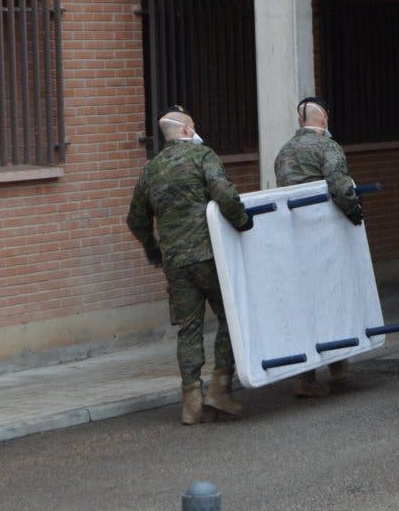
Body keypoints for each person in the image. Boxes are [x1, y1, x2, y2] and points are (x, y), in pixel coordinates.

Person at [126, 106, 253, 425]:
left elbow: (135, 219)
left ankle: (191, 400)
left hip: (175, 263)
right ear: (185, 131)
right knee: (230, 317)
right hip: (210, 256)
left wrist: (152, 247)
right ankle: (220, 388)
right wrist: (243, 222)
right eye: (193, 126)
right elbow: (224, 193)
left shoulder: (150, 170)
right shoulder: (202, 156)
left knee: (189, 328)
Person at [273, 96, 363, 397]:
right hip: (325, 237)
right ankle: (338, 371)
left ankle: (305, 378)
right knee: (331, 299)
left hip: (295, 240)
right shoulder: (328, 147)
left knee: (304, 305)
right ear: (323, 120)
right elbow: (340, 186)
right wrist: (353, 211)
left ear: (301, 122)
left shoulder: (283, 152)